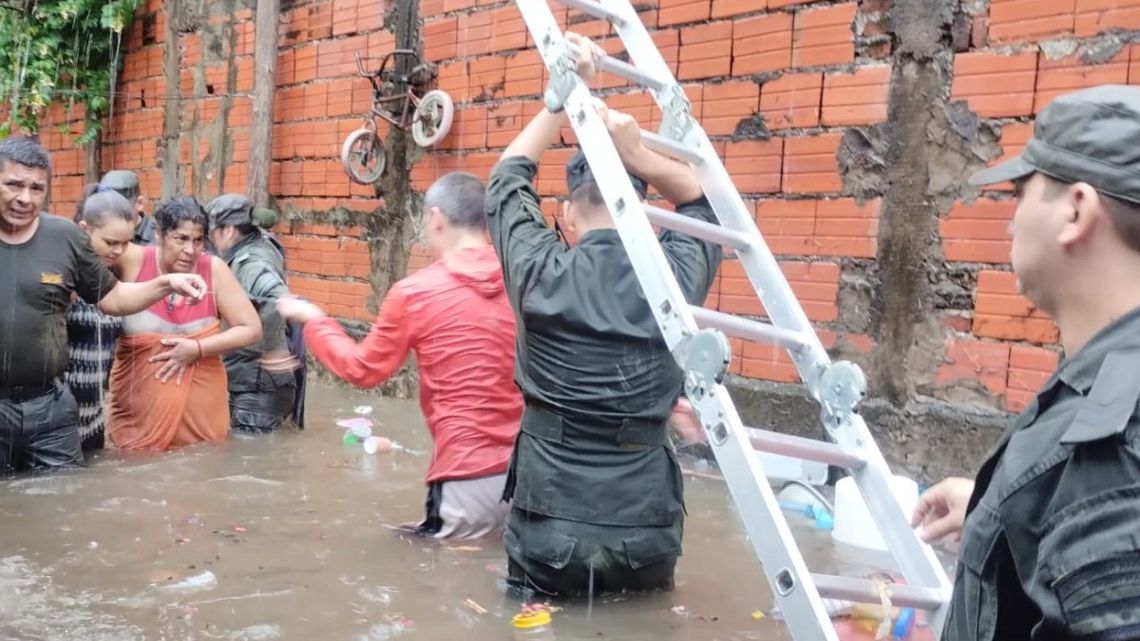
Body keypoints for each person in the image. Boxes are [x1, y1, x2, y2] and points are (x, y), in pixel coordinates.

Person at [485, 33, 723, 597]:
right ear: (640, 205)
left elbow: (505, 178)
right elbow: (707, 205)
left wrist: (566, 93)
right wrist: (638, 152)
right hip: (646, 529)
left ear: (567, 211)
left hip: (549, 524)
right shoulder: (674, 280)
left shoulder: (539, 271)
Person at [910, 85, 1140, 641]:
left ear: (1076, 210)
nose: (1010, 221)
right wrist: (1002, 517)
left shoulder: (1114, 446)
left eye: (1020, 192)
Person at [278, 172, 523, 540]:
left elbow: (363, 370)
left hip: (465, 476)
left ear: (436, 219)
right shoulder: (525, 278)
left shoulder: (415, 292)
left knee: (441, 580)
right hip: (534, 476)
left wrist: (315, 321)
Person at [0, 136, 207, 474]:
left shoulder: (63, 237)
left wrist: (167, 283)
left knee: (63, 503)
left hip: (49, 407)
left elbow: (113, 298)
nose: (25, 198)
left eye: (36, 188)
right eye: (13, 185)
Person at [106, 196, 262, 451]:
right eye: (180, 239)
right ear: (159, 234)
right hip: (136, 415)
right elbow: (87, 254)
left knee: (200, 481)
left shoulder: (214, 270)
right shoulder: (130, 260)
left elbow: (252, 329)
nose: (190, 250)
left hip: (202, 422)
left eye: (198, 240)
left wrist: (197, 349)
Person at [205, 194, 298, 434]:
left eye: (211, 233)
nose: (209, 241)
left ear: (228, 231)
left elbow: (279, 296)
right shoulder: (262, 241)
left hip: (257, 386)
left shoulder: (250, 262)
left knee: (249, 463)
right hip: (258, 381)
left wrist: (268, 347)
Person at [64, 185, 138, 452]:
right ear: (84, 229)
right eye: (110, 242)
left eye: (126, 242)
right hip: (56, 423)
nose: (118, 250)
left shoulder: (116, 278)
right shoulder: (62, 277)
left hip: (94, 420)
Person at [100, 169, 154, 245]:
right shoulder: (97, 233)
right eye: (105, 207)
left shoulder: (159, 237)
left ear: (139, 203)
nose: (111, 214)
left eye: (119, 209)